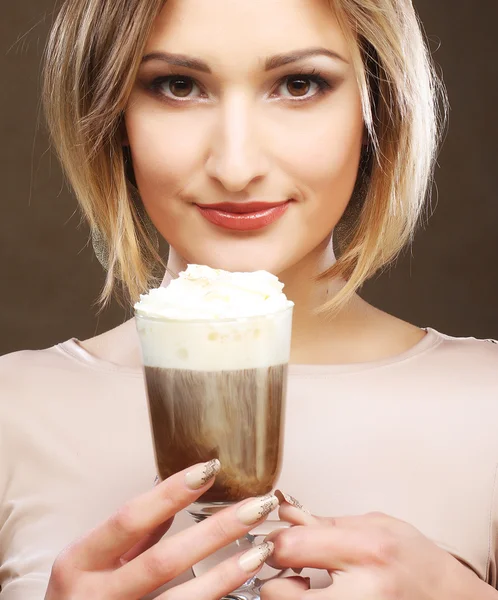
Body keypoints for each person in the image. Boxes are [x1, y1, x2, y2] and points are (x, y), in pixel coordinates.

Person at [1, 0, 497, 598]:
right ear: (113, 115)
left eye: (298, 84)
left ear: (378, 108)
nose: (235, 167)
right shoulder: (14, 413)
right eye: (177, 85)